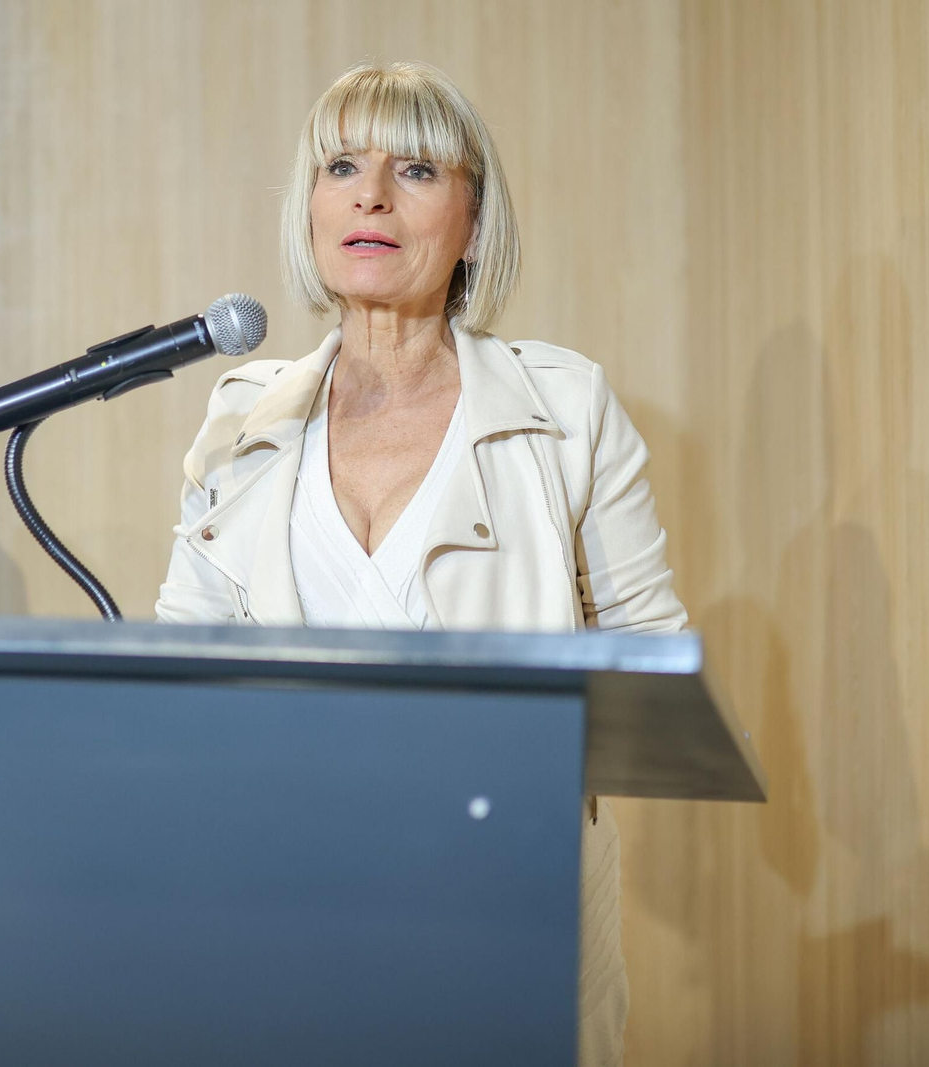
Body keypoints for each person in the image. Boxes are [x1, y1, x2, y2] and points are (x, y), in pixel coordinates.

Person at [155, 61, 687, 1067]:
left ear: (474, 222)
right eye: (342, 165)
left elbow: (650, 669)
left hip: (504, 898)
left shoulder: (564, 408)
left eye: (417, 170)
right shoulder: (242, 416)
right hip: (279, 897)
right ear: (311, 207)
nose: (371, 194)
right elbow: (178, 668)